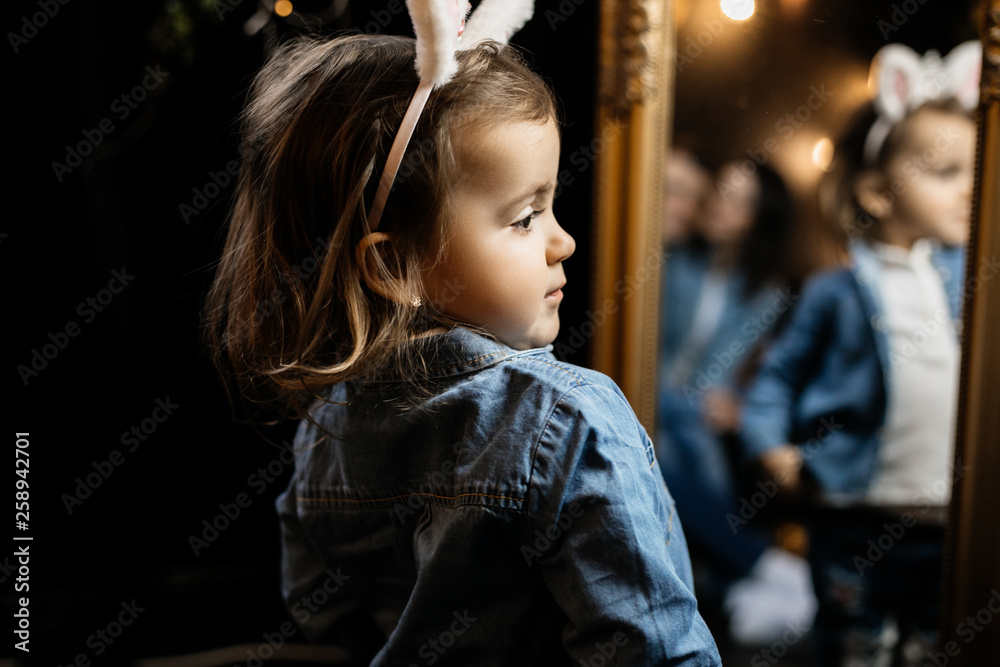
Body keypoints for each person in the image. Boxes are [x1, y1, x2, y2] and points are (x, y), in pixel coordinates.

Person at [203, 22, 721, 667]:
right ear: (396, 268)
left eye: (552, 206)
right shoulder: (570, 423)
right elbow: (656, 652)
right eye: (526, 217)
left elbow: (325, 612)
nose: (564, 242)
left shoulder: (323, 428)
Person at [740, 41, 981, 666]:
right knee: (855, 649)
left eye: (977, 172)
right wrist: (772, 448)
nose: (969, 191)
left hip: (949, 520)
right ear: (877, 193)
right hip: (854, 517)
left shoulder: (973, 283)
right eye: (944, 172)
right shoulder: (835, 290)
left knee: (934, 647)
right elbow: (775, 378)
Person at [657, 158, 796, 637]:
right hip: (651, 399)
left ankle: (721, 599)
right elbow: (645, 353)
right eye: (720, 189)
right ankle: (754, 565)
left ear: (756, 218)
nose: (719, 203)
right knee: (676, 448)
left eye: (738, 200)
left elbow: (729, 371)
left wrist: (733, 402)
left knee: (695, 458)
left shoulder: (765, 292)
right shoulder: (673, 259)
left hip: (691, 413)